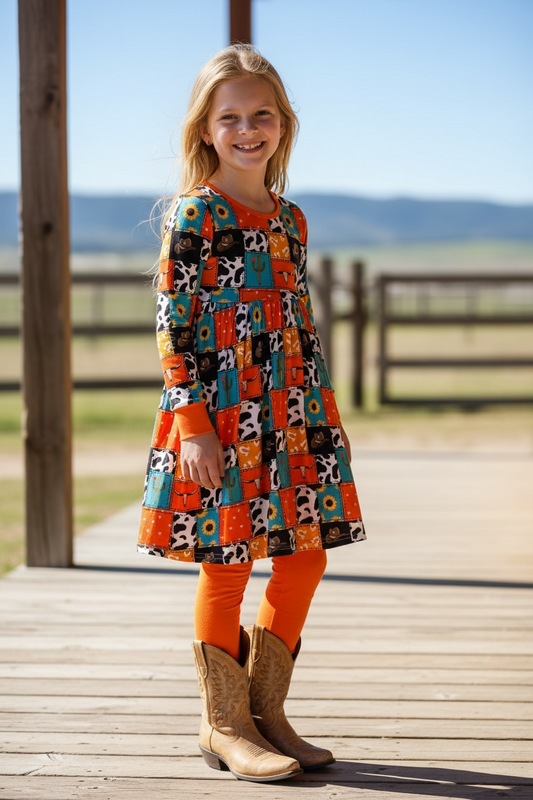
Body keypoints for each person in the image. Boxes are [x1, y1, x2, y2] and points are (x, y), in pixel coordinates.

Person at [137, 43, 366, 783]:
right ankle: (223, 723)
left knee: (305, 554)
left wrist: (327, 417)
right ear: (205, 129)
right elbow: (173, 328)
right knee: (226, 561)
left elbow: (298, 324)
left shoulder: (290, 218)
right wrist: (194, 426)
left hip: (294, 411)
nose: (246, 129)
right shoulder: (197, 213)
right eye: (228, 116)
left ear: (282, 124)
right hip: (219, 415)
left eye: (260, 114)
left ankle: (267, 713)